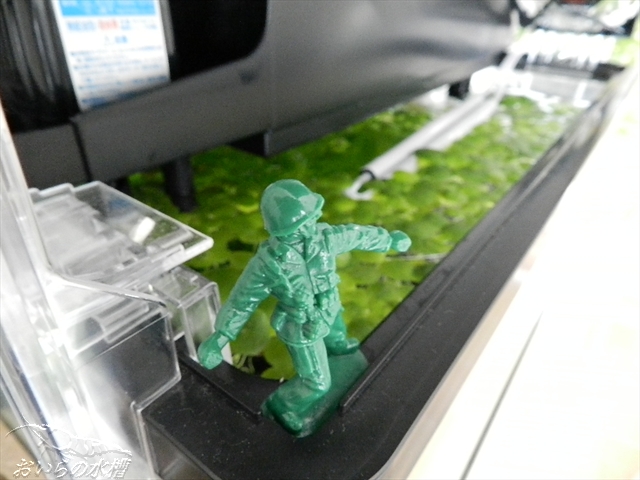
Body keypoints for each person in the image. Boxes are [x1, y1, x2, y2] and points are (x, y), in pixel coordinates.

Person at [198, 179, 411, 418]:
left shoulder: (324, 238)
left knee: (336, 335)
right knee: (316, 382)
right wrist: (220, 337)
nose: (308, 230)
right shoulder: (268, 264)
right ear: (279, 231)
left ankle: (336, 345)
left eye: (311, 220)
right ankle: (284, 406)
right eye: (298, 228)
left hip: (329, 304)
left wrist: (389, 240)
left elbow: (357, 235)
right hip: (301, 323)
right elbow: (242, 300)